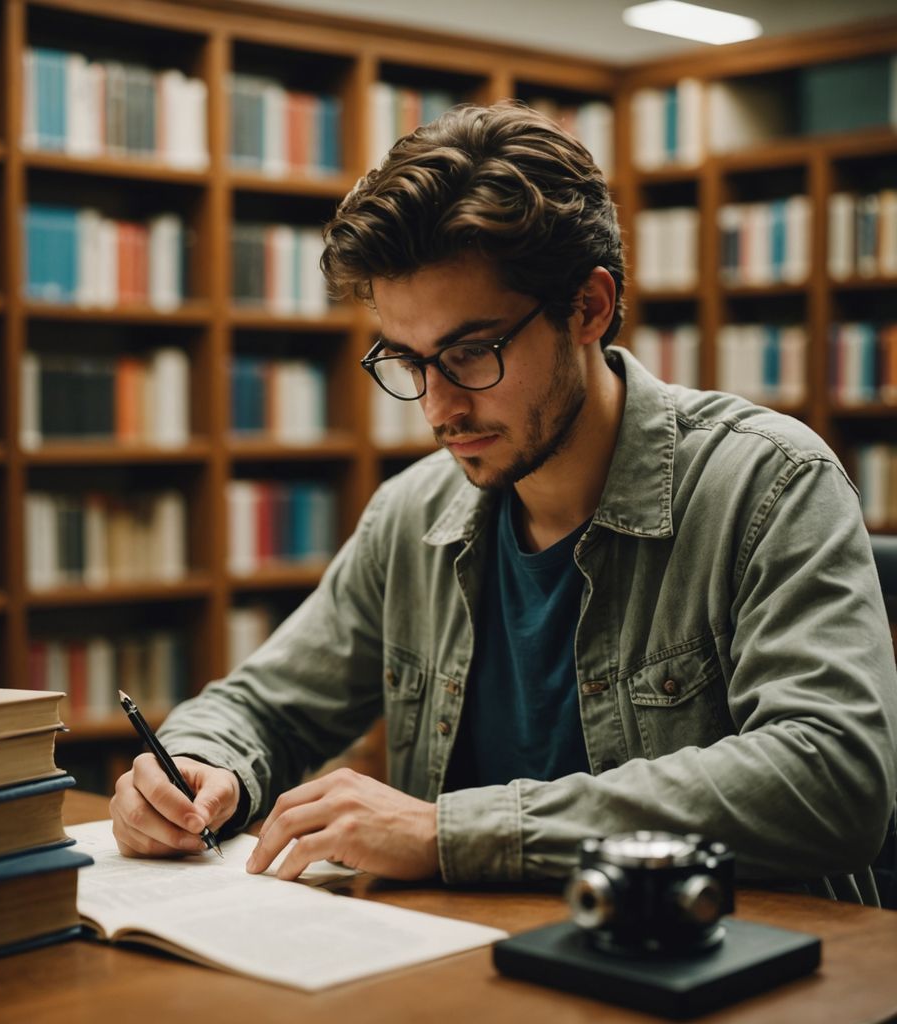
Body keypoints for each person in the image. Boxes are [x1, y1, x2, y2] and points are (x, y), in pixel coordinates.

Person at [110, 102, 897, 902]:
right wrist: (200, 769)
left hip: (729, 970)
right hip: (474, 966)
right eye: (409, 360)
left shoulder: (769, 484)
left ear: (588, 307)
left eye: (471, 352)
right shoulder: (412, 513)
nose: (438, 407)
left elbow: (833, 776)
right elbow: (265, 706)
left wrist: (448, 833)